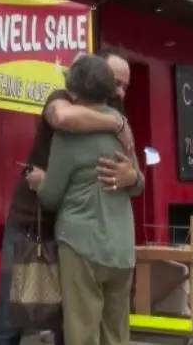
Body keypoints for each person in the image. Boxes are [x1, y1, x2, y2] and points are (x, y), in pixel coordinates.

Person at [0, 49, 138, 345]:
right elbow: (62, 117)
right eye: (116, 83)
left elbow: (136, 180)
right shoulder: (61, 100)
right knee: (16, 316)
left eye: (124, 86)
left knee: (70, 322)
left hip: (74, 237)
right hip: (32, 227)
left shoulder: (115, 119)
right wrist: (117, 124)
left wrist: (133, 177)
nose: (119, 92)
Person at [35, 55, 145, 345]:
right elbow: (138, 184)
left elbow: (50, 196)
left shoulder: (67, 136)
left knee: (82, 334)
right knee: (116, 334)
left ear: (74, 91)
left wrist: (38, 182)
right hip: (121, 248)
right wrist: (132, 177)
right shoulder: (122, 127)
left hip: (81, 245)